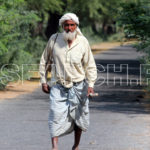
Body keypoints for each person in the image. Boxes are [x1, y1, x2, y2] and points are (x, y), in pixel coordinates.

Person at [39, 13, 97, 150]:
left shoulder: (83, 42)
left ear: (76, 26)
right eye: (66, 25)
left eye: (72, 25)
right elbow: (44, 61)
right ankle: (55, 147)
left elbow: (90, 65)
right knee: (55, 114)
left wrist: (91, 84)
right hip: (58, 86)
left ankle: (76, 146)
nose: (69, 28)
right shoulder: (54, 39)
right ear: (62, 26)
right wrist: (43, 81)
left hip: (79, 86)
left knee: (79, 117)